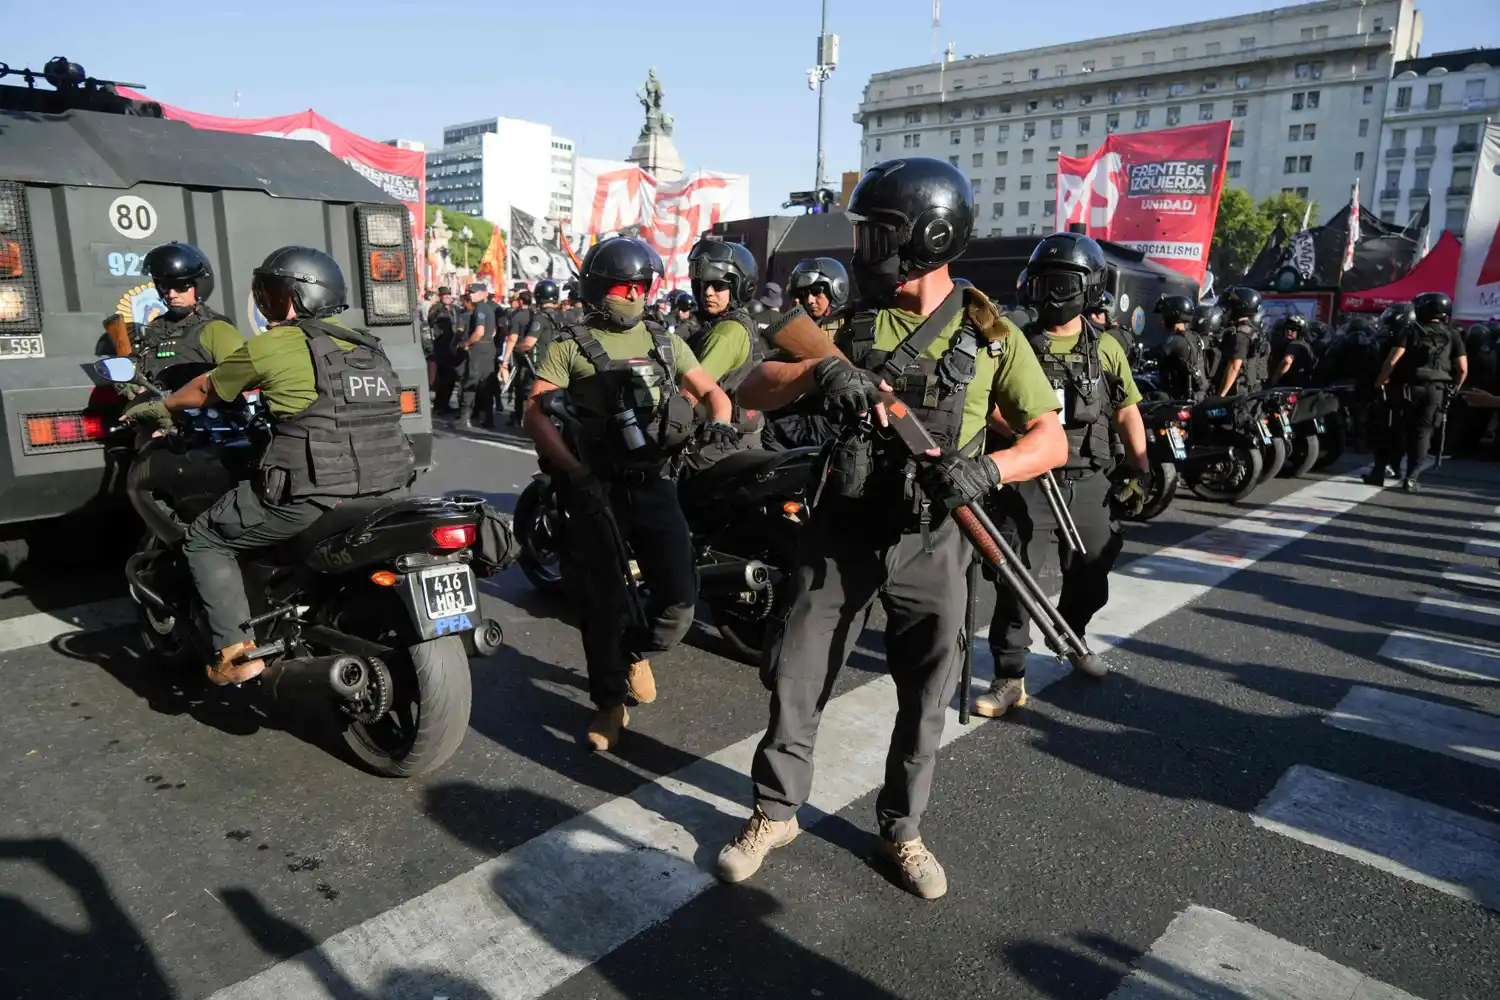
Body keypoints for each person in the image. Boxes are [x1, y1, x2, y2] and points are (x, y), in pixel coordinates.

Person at [714, 157, 1067, 900]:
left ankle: (901, 830)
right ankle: (775, 812)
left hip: (933, 537)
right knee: (798, 672)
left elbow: (1050, 439)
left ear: (928, 238)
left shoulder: (992, 335)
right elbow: (753, 386)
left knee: (927, 690)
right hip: (842, 526)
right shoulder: (849, 321)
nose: (863, 248)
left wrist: (989, 471)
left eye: (877, 234)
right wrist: (819, 373)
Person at [123, 247, 413, 684]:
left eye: (273, 295)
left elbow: (205, 390)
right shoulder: (367, 346)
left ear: (295, 298)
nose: (267, 304)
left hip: (313, 490)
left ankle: (236, 655)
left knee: (205, 539)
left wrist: (161, 407)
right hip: (384, 486)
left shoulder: (276, 343)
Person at [523, 236, 736, 751]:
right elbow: (536, 412)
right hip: (595, 489)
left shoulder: (665, 341)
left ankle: (633, 650)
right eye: (625, 287)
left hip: (656, 482)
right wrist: (576, 472)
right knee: (600, 602)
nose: (636, 295)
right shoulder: (569, 343)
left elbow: (712, 391)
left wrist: (721, 420)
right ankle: (609, 702)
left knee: (680, 600)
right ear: (599, 289)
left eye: (643, 285)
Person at [976, 232, 1147, 719]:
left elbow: (1127, 410)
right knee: (1016, 580)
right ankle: (1010, 677)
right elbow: (985, 401)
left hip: (1089, 479)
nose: (1051, 293)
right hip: (1028, 478)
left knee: (1093, 574)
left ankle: (1070, 634)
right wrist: (1023, 433)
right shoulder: (1012, 341)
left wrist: (1142, 468)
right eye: (1043, 281)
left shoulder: (1107, 347)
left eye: (1063, 283)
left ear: (1089, 287)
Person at [680, 238, 765, 470]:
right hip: (741, 440)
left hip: (715, 446)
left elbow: (690, 391)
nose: (707, 292)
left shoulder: (726, 333)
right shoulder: (739, 322)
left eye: (718, 285)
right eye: (702, 285)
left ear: (739, 286)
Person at [1368, 291, 1467, 491]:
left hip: (1405, 389)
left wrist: (1380, 382)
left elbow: (1392, 360)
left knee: (1395, 430)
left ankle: (1385, 470)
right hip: (1435, 391)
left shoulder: (1410, 330)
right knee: (1423, 434)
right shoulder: (1452, 335)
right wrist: (1454, 389)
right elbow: (1463, 369)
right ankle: (1411, 478)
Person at [765, 257, 851, 449]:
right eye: (805, 294)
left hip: (830, 421)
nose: (810, 300)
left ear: (836, 289)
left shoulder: (848, 327)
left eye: (816, 292)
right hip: (807, 415)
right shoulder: (808, 327)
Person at [132, 242, 244, 383]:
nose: (171, 295)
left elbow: (238, 379)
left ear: (199, 286)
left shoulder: (217, 330)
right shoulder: (154, 329)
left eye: (181, 287)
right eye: (165, 287)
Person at [506, 279, 566, 426]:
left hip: (540, 366)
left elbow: (529, 343)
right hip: (560, 365)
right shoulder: (562, 316)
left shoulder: (540, 318)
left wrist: (517, 348)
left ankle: (535, 426)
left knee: (533, 398)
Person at [456, 283, 500, 428]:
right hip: (488, 347)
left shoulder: (480, 308)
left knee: (471, 382)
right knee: (486, 384)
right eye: (470, 292)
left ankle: (465, 418)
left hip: (478, 349)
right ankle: (487, 419)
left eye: (474, 292)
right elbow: (493, 331)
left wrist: (467, 343)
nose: (471, 295)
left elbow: (479, 331)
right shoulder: (489, 308)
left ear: (483, 293)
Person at [1154, 294, 1209, 402]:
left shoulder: (1174, 341)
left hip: (1177, 398)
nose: (1162, 319)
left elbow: (1153, 353)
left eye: (1164, 315)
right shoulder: (1195, 337)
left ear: (1171, 315)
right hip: (1199, 395)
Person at [1213, 286, 1264, 397]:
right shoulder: (1251, 330)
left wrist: (1220, 396)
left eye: (1231, 305)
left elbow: (1234, 366)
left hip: (1238, 391)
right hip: (1248, 387)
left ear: (1240, 307)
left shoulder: (1240, 335)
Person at [1271, 315, 1317, 387]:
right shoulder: (1304, 344)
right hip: (1301, 385)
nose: (1289, 331)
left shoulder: (1295, 344)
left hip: (1292, 387)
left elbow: (1287, 361)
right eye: (1287, 328)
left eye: (1293, 329)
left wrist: (1274, 380)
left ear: (1300, 331)